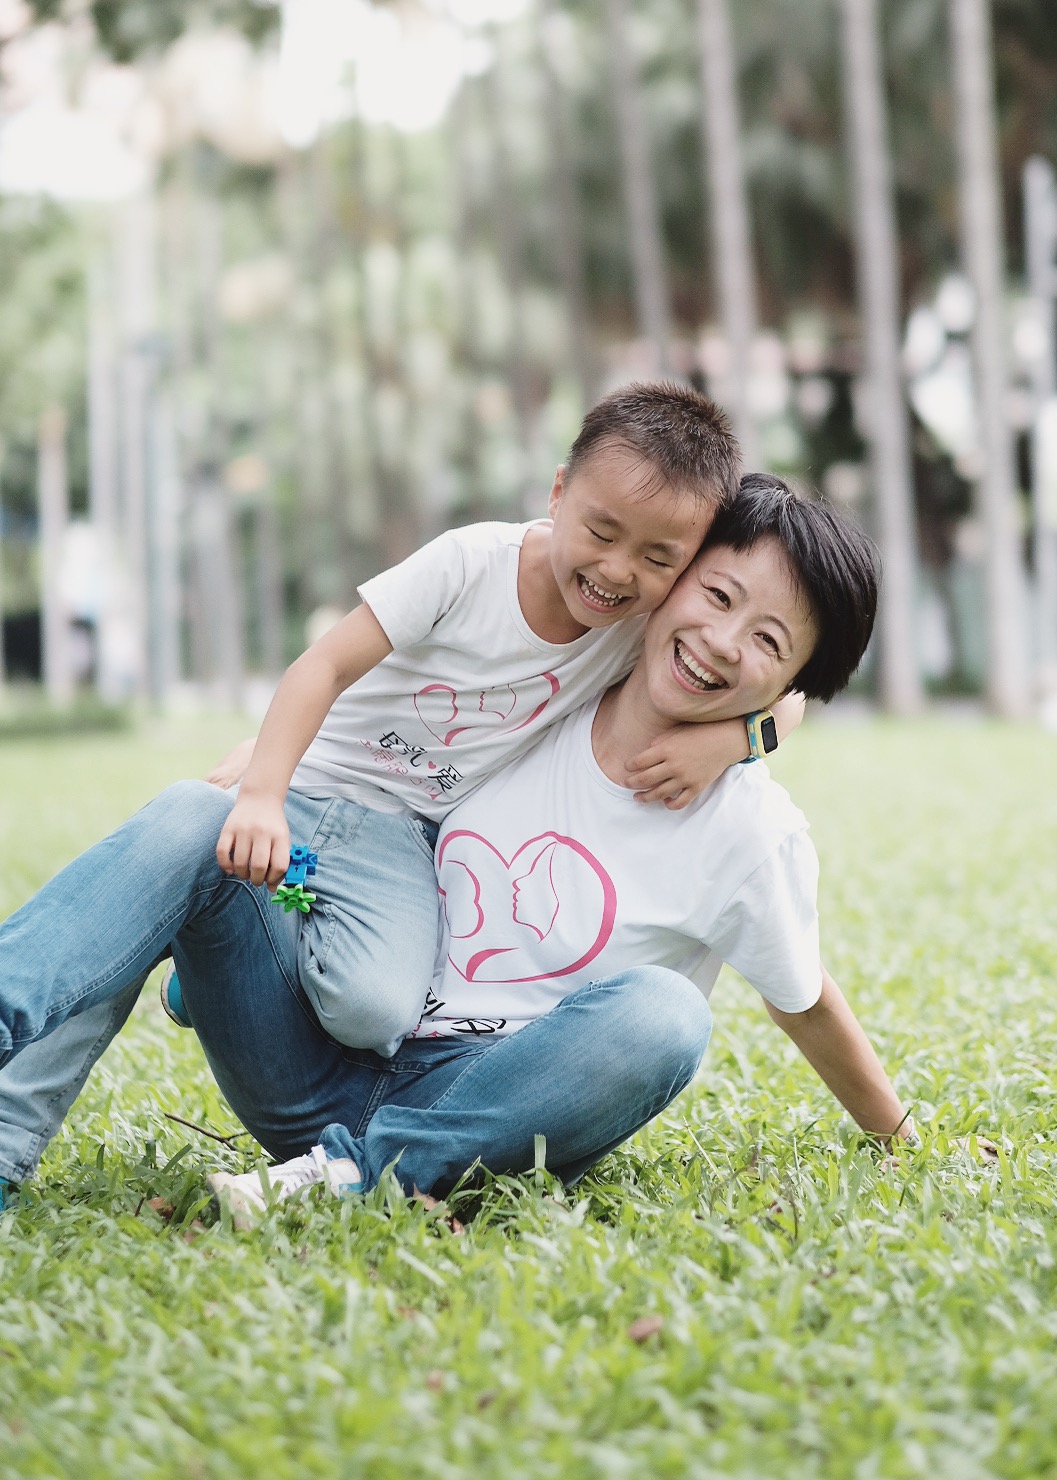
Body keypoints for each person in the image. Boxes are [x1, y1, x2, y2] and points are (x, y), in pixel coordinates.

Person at [0, 383, 795, 1198]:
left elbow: (788, 693)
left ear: (686, 564)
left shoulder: (636, 633)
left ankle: (244, 996)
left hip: (396, 855)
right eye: (600, 531)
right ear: (558, 493)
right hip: (307, 823)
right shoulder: (471, 564)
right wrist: (267, 786)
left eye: (659, 559)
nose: (618, 570)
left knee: (377, 1007)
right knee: (185, 825)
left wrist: (738, 738)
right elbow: (325, 664)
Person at [199, 475, 914, 1225]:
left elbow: (804, 1001)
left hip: (495, 1109)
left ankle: (350, 1176)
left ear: (794, 677)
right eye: (718, 596)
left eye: (768, 641)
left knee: (666, 1015)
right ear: (672, 579)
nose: (721, 642)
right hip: (321, 1066)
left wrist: (900, 1139)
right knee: (202, 826)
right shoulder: (547, 697)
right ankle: (235, 1043)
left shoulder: (750, 832)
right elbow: (396, 732)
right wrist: (278, 758)